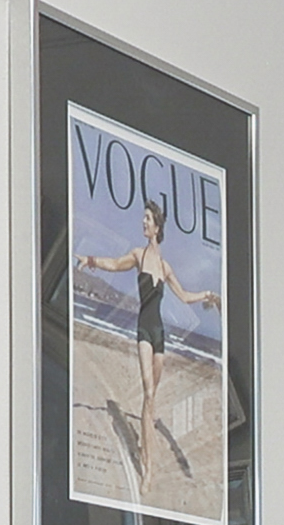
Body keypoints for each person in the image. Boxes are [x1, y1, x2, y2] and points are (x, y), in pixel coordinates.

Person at [73, 189, 207, 501]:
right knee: (148, 391)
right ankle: (147, 471)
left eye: (147, 219)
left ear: (157, 228)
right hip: (144, 330)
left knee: (151, 401)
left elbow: (185, 297)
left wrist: (208, 296)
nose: (143, 222)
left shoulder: (166, 267)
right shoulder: (137, 255)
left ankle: (148, 457)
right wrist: (90, 260)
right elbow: (114, 263)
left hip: (161, 333)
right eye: (143, 218)